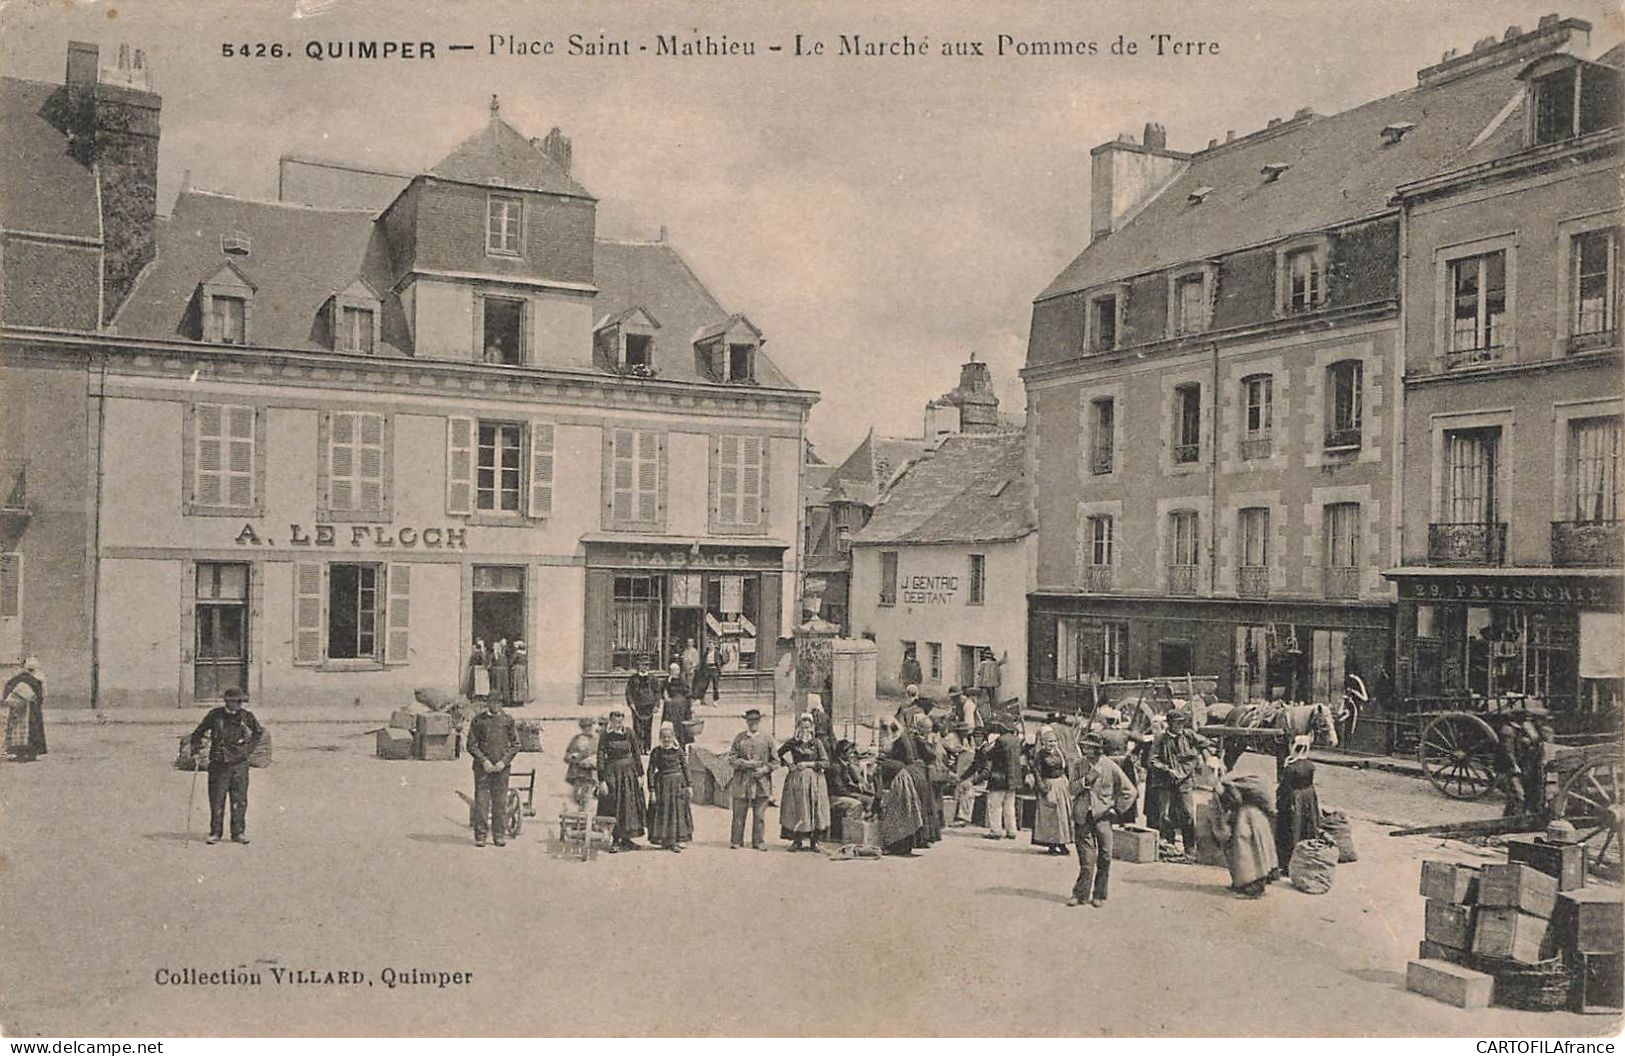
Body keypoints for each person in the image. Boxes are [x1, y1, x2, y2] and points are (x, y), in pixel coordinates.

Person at [186, 687, 264, 845]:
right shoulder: (215, 715)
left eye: (241, 701)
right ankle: (215, 832)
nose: (240, 704)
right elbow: (198, 732)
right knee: (217, 799)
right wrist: (195, 749)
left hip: (239, 764)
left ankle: (238, 833)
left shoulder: (246, 716)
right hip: (218, 764)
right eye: (236, 701)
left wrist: (247, 751)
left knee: (239, 800)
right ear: (227, 701)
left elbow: (258, 733)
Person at [1068, 733, 1138, 907]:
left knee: (1105, 856)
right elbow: (1071, 789)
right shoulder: (1078, 764)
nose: (1085, 749)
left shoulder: (1110, 766)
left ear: (1098, 749)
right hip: (1083, 816)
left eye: (1089, 747)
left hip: (1103, 818)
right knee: (1087, 860)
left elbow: (1130, 791)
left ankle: (1099, 894)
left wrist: (1117, 809)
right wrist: (1086, 780)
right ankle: (1080, 894)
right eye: (1084, 746)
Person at [1148, 709, 1210, 857]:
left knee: (1187, 813)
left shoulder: (1188, 735)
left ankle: (1189, 847)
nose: (1180, 725)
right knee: (1165, 815)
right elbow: (1152, 760)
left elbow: (1206, 742)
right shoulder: (1160, 739)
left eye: (1182, 722)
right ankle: (1169, 846)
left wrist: (1192, 754)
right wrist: (1167, 769)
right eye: (1177, 723)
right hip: (1165, 782)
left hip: (1185, 783)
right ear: (1170, 724)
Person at [876, 715, 935, 856]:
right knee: (909, 811)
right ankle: (904, 846)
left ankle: (898, 846)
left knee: (902, 811)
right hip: (913, 775)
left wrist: (883, 761)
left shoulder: (900, 738)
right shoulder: (904, 735)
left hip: (905, 778)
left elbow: (906, 759)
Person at [467, 692, 518, 847]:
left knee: (500, 803)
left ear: (501, 704)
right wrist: (484, 761)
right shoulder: (479, 721)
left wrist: (504, 762)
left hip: (502, 770)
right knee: (482, 803)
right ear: (487, 703)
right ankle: (481, 835)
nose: (495, 705)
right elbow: (471, 744)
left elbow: (516, 744)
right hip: (483, 769)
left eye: (498, 702)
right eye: (492, 702)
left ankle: (499, 835)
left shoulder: (507, 720)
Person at [1215, 775, 1279, 898]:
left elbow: (1234, 801)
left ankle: (1252, 888)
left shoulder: (1226, 786)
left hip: (1247, 818)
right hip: (1253, 817)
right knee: (1252, 852)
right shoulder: (1231, 784)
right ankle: (1243, 884)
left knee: (1247, 853)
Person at [778, 715, 832, 851]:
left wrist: (809, 764)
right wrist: (788, 764)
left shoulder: (817, 743)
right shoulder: (792, 743)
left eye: (808, 727)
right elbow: (777, 754)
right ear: (798, 728)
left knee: (815, 809)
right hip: (796, 782)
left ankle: (816, 842)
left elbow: (826, 762)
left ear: (812, 728)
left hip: (815, 781)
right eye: (802, 727)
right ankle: (797, 841)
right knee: (797, 809)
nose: (805, 731)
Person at [596, 709, 646, 851]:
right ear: (610, 719)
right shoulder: (605, 736)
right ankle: (616, 840)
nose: (618, 722)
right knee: (614, 805)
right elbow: (600, 757)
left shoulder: (629, 733)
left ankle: (627, 839)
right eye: (615, 718)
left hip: (629, 774)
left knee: (628, 806)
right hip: (612, 774)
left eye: (620, 718)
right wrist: (602, 780)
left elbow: (636, 754)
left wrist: (640, 775)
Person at [727, 708, 776, 850]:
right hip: (742, 781)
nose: (753, 723)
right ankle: (736, 840)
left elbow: (776, 761)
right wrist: (745, 763)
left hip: (761, 782)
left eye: (756, 720)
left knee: (759, 814)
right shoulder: (740, 738)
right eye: (750, 721)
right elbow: (731, 758)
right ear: (746, 722)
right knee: (739, 813)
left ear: (759, 721)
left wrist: (765, 769)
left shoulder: (767, 739)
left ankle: (758, 841)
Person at [646, 722, 693, 852]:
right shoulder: (656, 752)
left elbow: (685, 768)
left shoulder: (678, 751)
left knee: (677, 812)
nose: (667, 740)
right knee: (664, 812)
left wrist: (689, 785)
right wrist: (652, 790)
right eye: (664, 737)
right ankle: (665, 840)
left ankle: (676, 841)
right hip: (662, 785)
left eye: (669, 737)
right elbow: (650, 771)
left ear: (673, 737)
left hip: (677, 785)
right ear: (661, 738)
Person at [1030, 724, 1073, 855]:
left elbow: (1067, 768)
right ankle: (1052, 844)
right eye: (1049, 741)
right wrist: (1041, 786)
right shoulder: (1040, 755)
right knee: (1051, 816)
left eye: (1054, 741)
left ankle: (1063, 842)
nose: (1052, 744)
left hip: (1061, 785)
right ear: (1043, 742)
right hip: (1048, 786)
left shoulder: (1061, 753)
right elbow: (1036, 772)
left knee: (1063, 815)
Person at [979, 722, 1024, 840]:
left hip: (999, 777)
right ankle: (1011, 830)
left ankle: (996, 830)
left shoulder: (1001, 740)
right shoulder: (1016, 740)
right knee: (1009, 805)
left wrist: (986, 748)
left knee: (995, 805)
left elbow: (990, 755)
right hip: (1013, 778)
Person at [1274, 758, 1321, 870]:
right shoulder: (1310, 765)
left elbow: (1283, 789)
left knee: (1289, 829)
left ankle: (1286, 863)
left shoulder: (1290, 768)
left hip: (1293, 801)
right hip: (1307, 801)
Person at [3, 656, 48, 762]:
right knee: (32, 729)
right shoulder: (38, 679)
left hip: (20, 709)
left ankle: (19, 753)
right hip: (32, 709)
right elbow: (42, 695)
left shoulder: (18, 678)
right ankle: (32, 753)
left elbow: (8, 689)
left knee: (19, 731)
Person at [827, 739, 874, 833]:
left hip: (844, 793)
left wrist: (860, 782)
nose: (852, 755)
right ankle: (850, 832)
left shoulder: (846, 764)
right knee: (856, 804)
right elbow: (838, 789)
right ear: (842, 754)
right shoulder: (835, 767)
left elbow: (856, 777)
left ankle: (865, 831)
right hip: (834, 797)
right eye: (850, 752)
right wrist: (855, 794)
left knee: (870, 800)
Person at [562, 716, 600, 812]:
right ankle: (580, 814)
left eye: (590, 726)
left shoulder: (597, 740)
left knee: (586, 798)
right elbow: (567, 756)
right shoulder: (576, 739)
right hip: (577, 774)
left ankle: (583, 818)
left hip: (590, 774)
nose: (588, 729)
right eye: (585, 727)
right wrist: (572, 757)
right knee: (576, 797)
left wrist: (592, 761)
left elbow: (602, 756)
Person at [624, 656, 660, 752]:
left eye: (647, 665)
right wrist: (631, 703)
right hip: (637, 706)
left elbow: (657, 692)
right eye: (643, 665)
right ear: (639, 666)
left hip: (649, 706)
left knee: (648, 727)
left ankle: (647, 747)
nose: (645, 667)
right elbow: (628, 692)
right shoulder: (633, 679)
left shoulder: (653, 678)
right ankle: (638, 748)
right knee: (637, 728)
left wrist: (656, 705)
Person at [662, 668, 693, 748]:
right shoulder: (667, 681)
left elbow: (687, 693)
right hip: (670, 708)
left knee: (682, 726)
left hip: (681, 708)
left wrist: (688, 705)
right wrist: (666, 698)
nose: (676, 672)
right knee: (671, 725)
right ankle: (670, 743)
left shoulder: (682, 681)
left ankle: (682, 745)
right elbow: (663, 691)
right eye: (673, 670)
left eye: (677, 670)